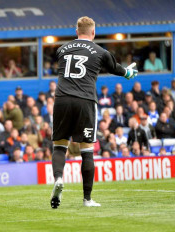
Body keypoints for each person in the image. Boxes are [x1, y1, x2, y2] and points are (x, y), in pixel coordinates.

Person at [50, 16, 138, 209]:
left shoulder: (61, 49)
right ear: (93, 32)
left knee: (59, 146)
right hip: (85, 100)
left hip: (62, 99)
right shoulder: (100, 51)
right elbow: (114, 68)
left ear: (76, 32)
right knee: (87, 150)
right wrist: (128, 73)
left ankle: (58, 179)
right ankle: (87, 199)